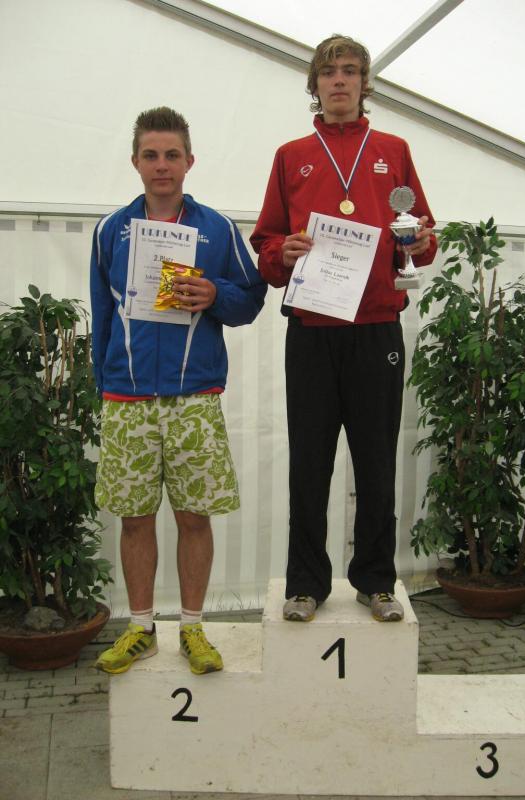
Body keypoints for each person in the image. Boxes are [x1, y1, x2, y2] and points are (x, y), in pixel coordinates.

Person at [250, 35, 436, 623]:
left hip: (377, 326)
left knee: (376, 460)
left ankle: (376, 581)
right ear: (315, 83)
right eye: (329, 72)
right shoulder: (291, 155)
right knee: (309, 461)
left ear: (364, 83)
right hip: (312, 327)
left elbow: (422, 236)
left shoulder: (394, 150)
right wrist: (284, 251)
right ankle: (306, 584)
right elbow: (266, 245)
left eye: (350, 71)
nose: (339, 81)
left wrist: (421, 241)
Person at [91, 107, 266, 674]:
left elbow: (251, 300)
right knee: (134, 520)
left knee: (194, 517)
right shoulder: (109, 230)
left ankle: (192, 627)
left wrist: (215, 294)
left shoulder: (217, 229)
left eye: (171, 155)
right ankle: (141, 627)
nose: (161, 165)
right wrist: (105, 385)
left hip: (194, 399)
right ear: (135, 162)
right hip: (127, 399)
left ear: (190, 161)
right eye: (151, 155)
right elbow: (102, 314)